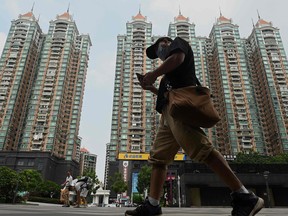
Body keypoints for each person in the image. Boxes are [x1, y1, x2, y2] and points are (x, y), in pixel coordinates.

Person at [124, 36, 264, 216]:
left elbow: (177, 58)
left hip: (181, 111)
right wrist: (151, 87)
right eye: (157, 53)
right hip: (167, 116)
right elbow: (166, 95)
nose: (159, 53)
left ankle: (245, 197)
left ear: (166, 42)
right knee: (158, 159)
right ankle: (152, 204)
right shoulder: (166, 76)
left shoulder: (178, 45)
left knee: (202, 150)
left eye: (159, 48)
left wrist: (154, 74)